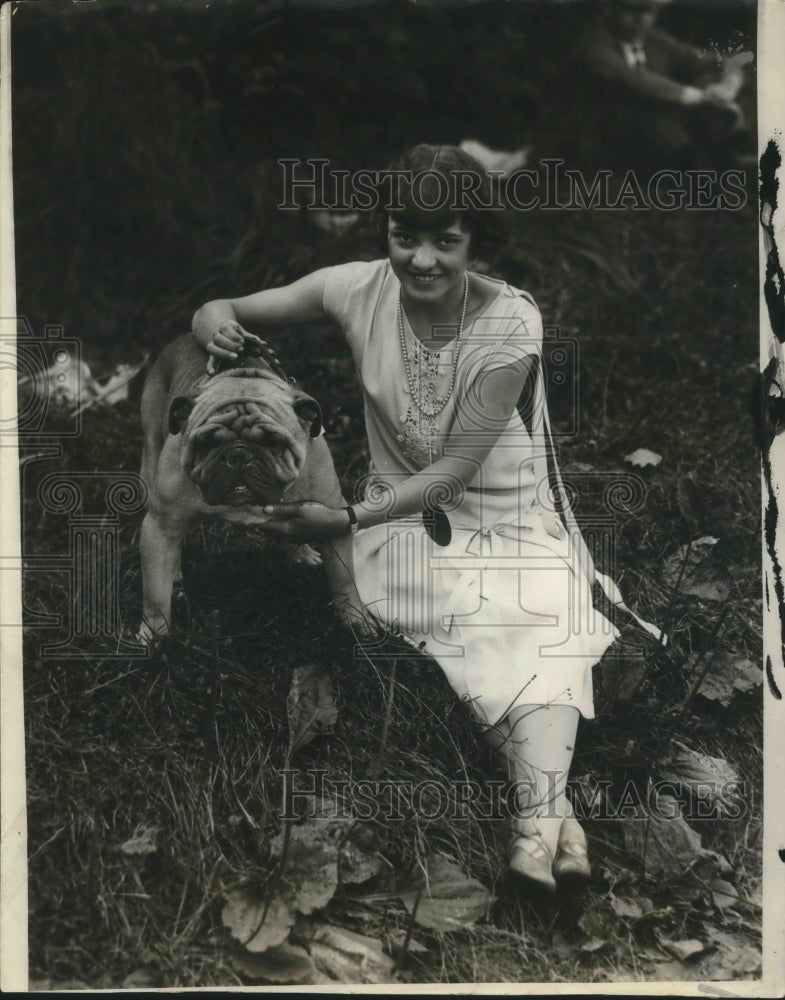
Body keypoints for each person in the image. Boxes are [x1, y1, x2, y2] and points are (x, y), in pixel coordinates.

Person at [191, 144, 660, 892]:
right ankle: (552, 821)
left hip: (498, 512)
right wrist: (212, 324)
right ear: (384, 228)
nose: (421, 259)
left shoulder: (510, 323)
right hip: (400, 519)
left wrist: (339, 517)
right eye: (404, 234)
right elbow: (224, 306)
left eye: (446, 239)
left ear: (477, 240)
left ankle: (532, 838)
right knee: (460, 614)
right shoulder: (353, 288)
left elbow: (451, 474)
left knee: (534, 612)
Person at [570, 0, 752, 170]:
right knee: (647, 109)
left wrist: (728, 86)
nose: (640, 20)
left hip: (659, 134)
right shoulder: (594, 45)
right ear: (611, 10)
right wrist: (701, 98)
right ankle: (704, 164)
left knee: (708, 79)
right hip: (607, 136)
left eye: (648, 12)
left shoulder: (655, 41)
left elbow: (717, 62)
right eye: (631, 11)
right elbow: (635, 81)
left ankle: (719, 156)